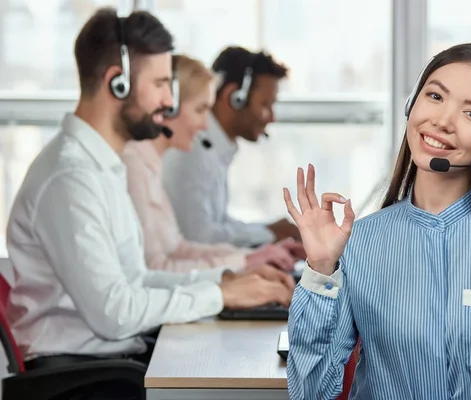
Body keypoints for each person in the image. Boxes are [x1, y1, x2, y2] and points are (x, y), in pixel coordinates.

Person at [6, 7, 294, 385]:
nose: (167, 102)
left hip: (110, 362)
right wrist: (220, 296)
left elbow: (137, 280)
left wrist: (225, 282)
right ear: (117, 83)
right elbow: (115, 313)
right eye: (160, 84)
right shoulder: (70, 179)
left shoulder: (103, 167)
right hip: (84, 377)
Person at [284, 43, 471, 399]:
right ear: (412, 104)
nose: (442, 121)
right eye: (435, 96)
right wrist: (321, 269)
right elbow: (311, 393)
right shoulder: (360, 240)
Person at [121, 54, 305, 273]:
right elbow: (192, 241)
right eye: (200, 110)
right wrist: (248, 262)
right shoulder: (185, 156)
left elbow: (180, 247)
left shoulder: (160, 161)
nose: (204, 124)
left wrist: (257, 255)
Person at [162, 46, 301, 248]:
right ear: (234, 98)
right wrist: (268, 234)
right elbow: (198, 236)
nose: (271, 117)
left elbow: (219, 223)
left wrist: (269, 230)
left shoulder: (214, 150)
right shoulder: (192, 151)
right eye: (265, 105)